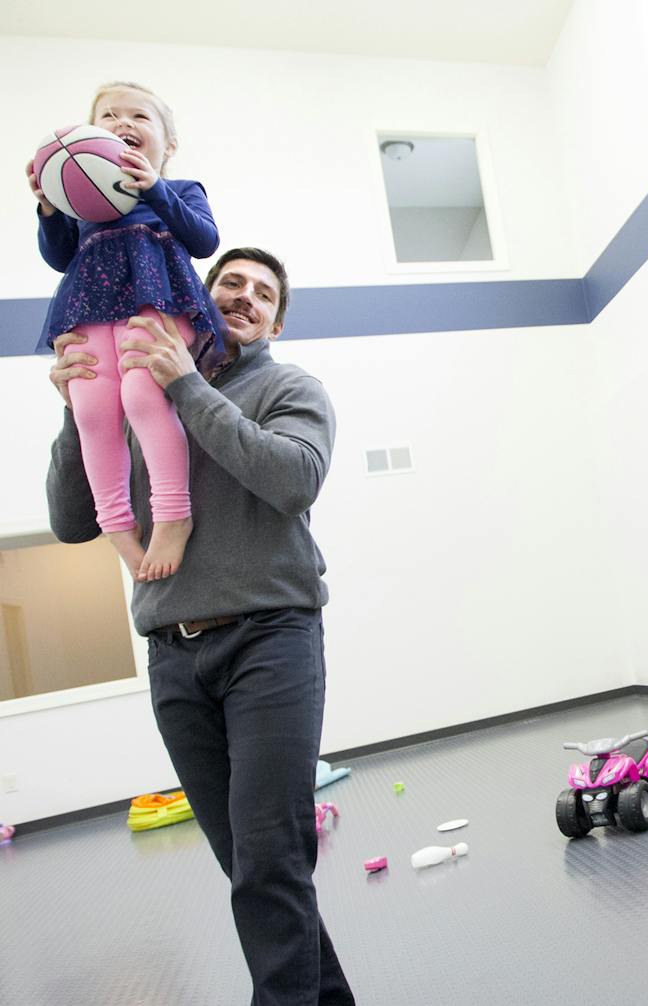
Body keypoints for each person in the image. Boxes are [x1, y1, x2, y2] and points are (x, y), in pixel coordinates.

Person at [46, 247, 355, 1006]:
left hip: (269, 642)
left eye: (262, 292)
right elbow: (69, 519)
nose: (243, 296)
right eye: (229, 284)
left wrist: (185, 383)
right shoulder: (132, 394)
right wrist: (79, 405)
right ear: (195, 294)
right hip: (173, 657)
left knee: (270, 859)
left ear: (276, 319)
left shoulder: (289, 387)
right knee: (250, 866)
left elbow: (292, 480)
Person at [28, 81, 226, 582]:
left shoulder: (179, 191)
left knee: (143, 396)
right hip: (92, 303)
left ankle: (172, 513)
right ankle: (116, 525)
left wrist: (154, 188)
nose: (123, 125)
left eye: (140, 118)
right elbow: (57, 258)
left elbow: (204, 241)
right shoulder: (83, 209)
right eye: (110, 118)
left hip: (155, 298)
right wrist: (51, 206)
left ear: (169, 145)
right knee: (92, 408)